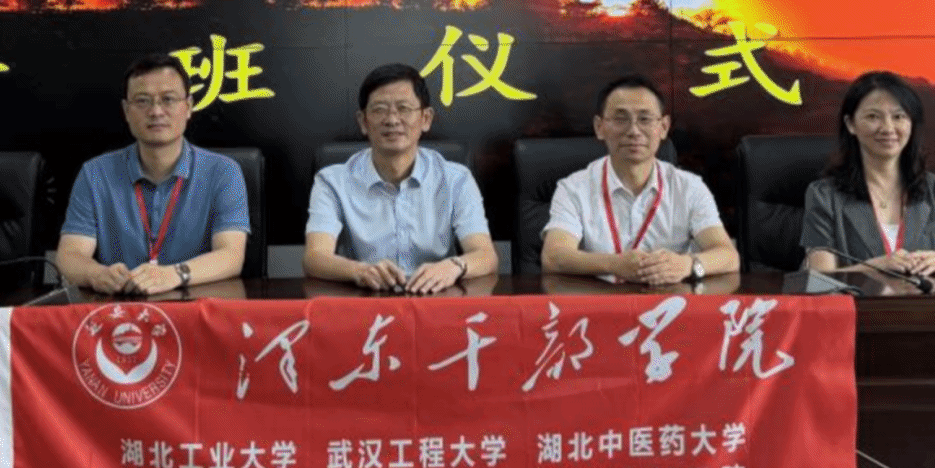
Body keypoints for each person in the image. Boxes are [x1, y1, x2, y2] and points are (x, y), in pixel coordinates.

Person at [56, 55, 250, 294]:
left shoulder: (223, 172)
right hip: (120, 307)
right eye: (142, 101)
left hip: (196, 307)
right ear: (126, 111)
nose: (156, 111)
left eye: (168, 99)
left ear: (188, 107)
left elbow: (231, 256)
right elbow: (70, 255)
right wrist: (97, 274)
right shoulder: (95, 174)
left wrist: (174, 274)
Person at [304, 63, 498, 294]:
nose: (392, 120)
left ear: (426, 118)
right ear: (363, 122)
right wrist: (360, 271)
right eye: (379, 109)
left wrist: (453, 266)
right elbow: (315, 257)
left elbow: (486, 256)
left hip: (436, 298)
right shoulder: (332, 182)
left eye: (404, 108)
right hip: (367, 299)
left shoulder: (456, 179)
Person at [542, 74, 739, 284]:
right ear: (599, 127)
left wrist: (687, 264)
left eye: (645, 119)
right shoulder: (573, 188)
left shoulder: (689, 187)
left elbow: (728, 256)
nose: (634, 131)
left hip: (669, 299)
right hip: (600, 299)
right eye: (621, 119)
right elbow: (553, 257)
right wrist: (615, 264)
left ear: (663, 127)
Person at [801, 71, 935, 280]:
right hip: (857, 301)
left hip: (925, 300)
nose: (888, 128)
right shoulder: (824, 195)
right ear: (851, 124)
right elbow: (819, 278)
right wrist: (873, 268)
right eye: (873, 117)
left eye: (898, 117)